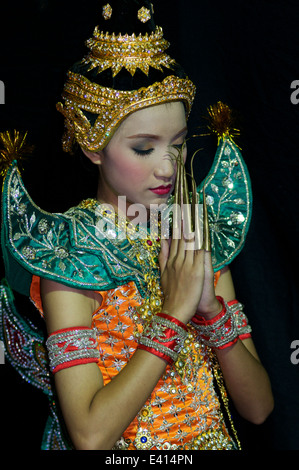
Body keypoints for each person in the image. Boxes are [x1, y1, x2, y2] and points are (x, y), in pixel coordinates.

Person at [0, 0, 273, 451]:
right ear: (93, 146)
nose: (169, 166)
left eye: (180, 144)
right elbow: (90, 435)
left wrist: (210, 312)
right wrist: (173, 315)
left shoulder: (191, 233)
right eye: (145, 149)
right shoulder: (72, 254)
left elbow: (259, 408)